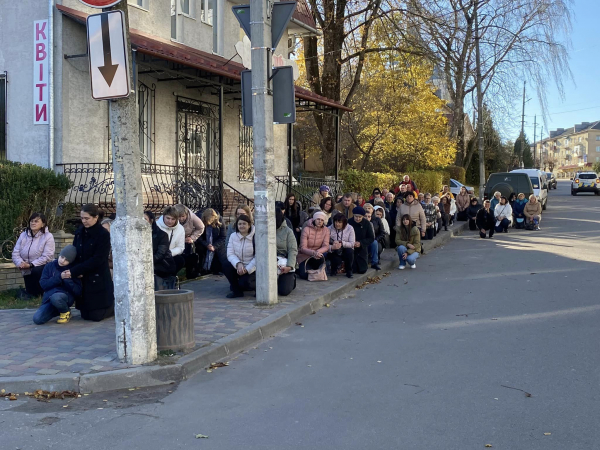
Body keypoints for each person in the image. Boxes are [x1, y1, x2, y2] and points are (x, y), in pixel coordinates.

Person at [66, 204, 114, 321]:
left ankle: (112, 308)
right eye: (82, 218)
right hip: (83, 275)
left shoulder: (103, 234)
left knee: (96, 316)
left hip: (97, 275)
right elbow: (75, 251)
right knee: (85, 315)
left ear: (95, 217)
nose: (84, 221)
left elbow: (98, 258)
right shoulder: (79, 232)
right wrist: (76, 269)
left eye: (87, 218)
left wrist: (78, 269)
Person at [33, 245, 82, 325]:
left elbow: (78, 291)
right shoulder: (49, 266)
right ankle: (58, 310)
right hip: (49, 298)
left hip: (65, 297)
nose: (62, 261)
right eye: (62, 257)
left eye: (66, 260)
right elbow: (43, 284)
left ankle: (65, 312)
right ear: (59, 254)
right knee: (37, 319)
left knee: (56, 298)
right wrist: (60, 277)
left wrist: (67, 279)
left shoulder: (72, 270)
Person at [12, 213, 55, 299]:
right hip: (26, 267)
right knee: (31, 293)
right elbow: (15, 253)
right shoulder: (23, 235)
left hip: (42, 267)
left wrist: (31, 265)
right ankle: (33, 293)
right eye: (31, 221)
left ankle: (43, 292)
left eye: (36, 221)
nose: (33, 223)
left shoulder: (48, 236)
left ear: (43, 224)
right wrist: (20, 263)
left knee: (35, 271)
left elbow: (47, 256)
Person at [223, 214, 256, 298]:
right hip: (239, 266)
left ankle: (257, 287)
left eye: (244, 224)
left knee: (245, 284)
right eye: (239, 224)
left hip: (253, 268)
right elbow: (230, 253)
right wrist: (238, 264)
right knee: (225, 264)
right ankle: (236, 291)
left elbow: (258, 257)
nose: (242, 226)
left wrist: (247, 269)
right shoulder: (233, 236)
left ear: (249, 225)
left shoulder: (256, 236)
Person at [144, 211, 177, 289]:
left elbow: (160, 254)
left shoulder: (161, 235)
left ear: (151, 221)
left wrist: (146, 263)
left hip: (161, 265)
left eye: (144, 219)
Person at [175, 204, 205, 279]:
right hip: (175, 239)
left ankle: (190, 273)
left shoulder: (192, 217)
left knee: (190, 256)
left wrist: (192, 237)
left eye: (183, 216)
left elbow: (201, 227)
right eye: (178, 216)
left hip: (187, 238)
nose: (181, 219)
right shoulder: (171, 217)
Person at [297, 211, 329, 280]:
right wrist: (313, 253)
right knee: (304, 276)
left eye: (322, 220)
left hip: (317, 255)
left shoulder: (326, 230)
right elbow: (303, 248)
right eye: (318, 219)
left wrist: (317, 252)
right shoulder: (306, 229)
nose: (320, 221)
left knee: (324, 256)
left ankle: (315, 270)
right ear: (314, 219)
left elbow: (326, 246)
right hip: (304, 255)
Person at [157, 206, 186, 274]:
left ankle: (171, 280)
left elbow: (181, 247)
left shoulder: (180, 229)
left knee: (180, 260)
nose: (170, 221)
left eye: (173, 219)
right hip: (157, 255)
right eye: (168, 218)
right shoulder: (157, 226)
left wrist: (170, 252)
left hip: (170, 255)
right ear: (164, 216)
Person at [275, 209, 298, 296]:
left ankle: (291, 279)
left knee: (284, 291)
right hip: (269, 260)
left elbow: (293, 249)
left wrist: (290, 266)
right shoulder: (264, 230)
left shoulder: (288, 231)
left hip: (283, 261)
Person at [197, 208, 227, 275]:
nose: (209, 223)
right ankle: (202, 269)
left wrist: (215, 246)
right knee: (200, 250)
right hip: (204, 242)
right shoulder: (199, 220)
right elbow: (198, 236)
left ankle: (220, 270)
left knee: (223, 258)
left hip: (217, 242)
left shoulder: (220, 220)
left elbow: (223, 236)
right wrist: (206, 244)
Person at [348, 206, 374, 274]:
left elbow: (371, 238)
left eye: (360, 217)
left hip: (362, 247)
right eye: (356, 216)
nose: (358, 218)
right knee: (353, 269)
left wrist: (361, 243)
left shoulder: (366, 224)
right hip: (351, 246)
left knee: (362, 270)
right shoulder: (349, 222)